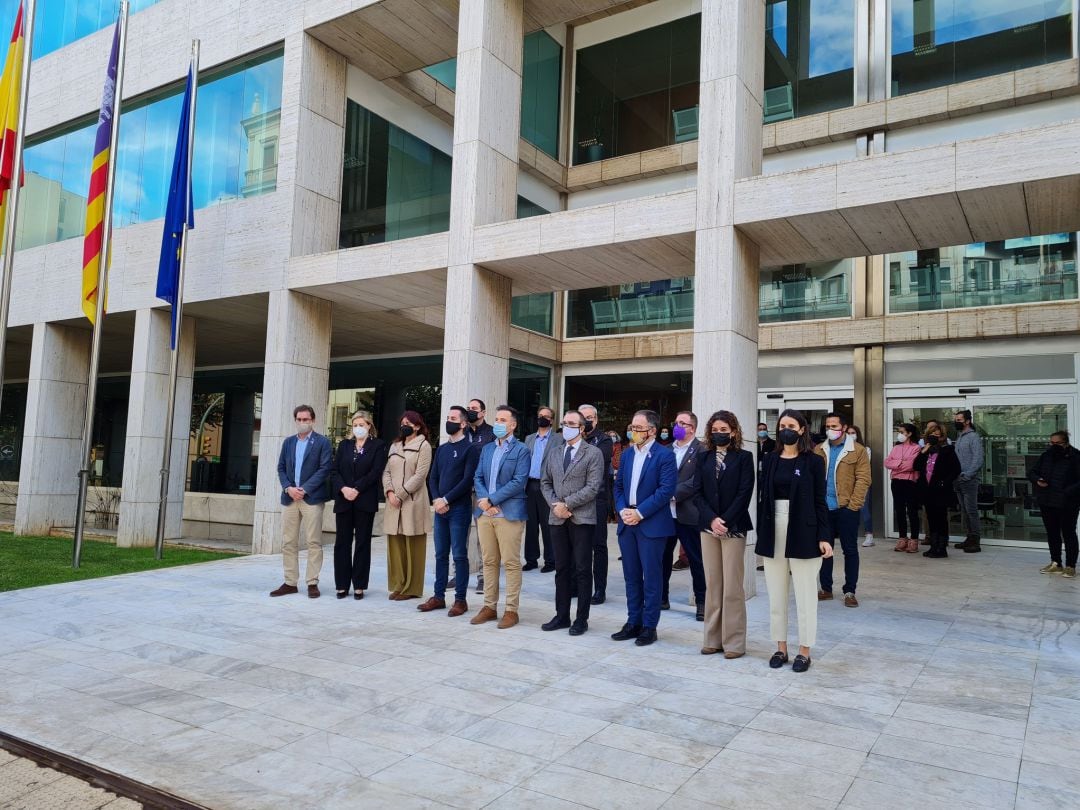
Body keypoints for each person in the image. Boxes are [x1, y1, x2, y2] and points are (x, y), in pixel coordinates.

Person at [757, 409, 833, 673]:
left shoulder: (813, 461)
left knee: (805, 593)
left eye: (791, 425)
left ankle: (804, 650)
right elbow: (763, 497)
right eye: (782, 425)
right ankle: (781, 647)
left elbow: (820, 500)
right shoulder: (769, 459)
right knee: (776, 593)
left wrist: (824, 536)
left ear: (802, 430)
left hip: (804, 528)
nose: (785, 429)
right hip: (773, 527)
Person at [611, 409, 677, 647]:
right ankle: (633, 622)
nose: (633, 431)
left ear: (652, 430)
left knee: (651, 577)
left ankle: (649, 626)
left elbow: (665, 490)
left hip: (651, 524)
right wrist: (622, 511)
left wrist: (639, 513)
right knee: (631, 577)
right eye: (632, 427)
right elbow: (617, 486)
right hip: (627, 523)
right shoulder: (627, 454)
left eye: (638, 428)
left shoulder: (664, 455)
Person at [695, 410, 754, 659]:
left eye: (724, 430)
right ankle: (712, 639)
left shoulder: (744, 457)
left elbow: (745, 493)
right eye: (715, 430)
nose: (719, 434)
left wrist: (725, 520)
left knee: (732, 587)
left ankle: (734, 643)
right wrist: (712, 519)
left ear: (734, 431)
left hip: (734, 526)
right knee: (713, 584)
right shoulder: (704, 457)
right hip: (708, 527)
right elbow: (697, 492)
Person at [540, 409, 605, 635]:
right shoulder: (555, 451)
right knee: (561, 568)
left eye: (571, 423)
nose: (565, 426)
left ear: (582, 428)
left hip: (581, 518)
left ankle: (581, 619)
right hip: (556, 518)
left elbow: (593, 486)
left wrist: (567, 504)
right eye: (564, 423)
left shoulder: (593, 453)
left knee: (582, 569)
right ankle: (562, 615)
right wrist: (556, 505)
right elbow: (545, 482)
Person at [471, 405, 531, 629]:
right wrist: (486, 500)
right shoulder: (487, 449)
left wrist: (493, 500)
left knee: (511, 562)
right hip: (485, 513)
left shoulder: (521, 450)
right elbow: (478, 477)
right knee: (488, 561)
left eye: (503, 420)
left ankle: (511, 610)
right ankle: (489, 606)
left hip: (508, 514)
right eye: (496, 419)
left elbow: (519, 481)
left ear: (513, 425)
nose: (498, 423)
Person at [420, 406, 481, 616]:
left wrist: (446, 499)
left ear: (463, 423)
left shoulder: (470, 449)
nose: (449, 421)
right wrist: (437, 499)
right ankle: (438, 596)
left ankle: (461, 600)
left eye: (453, 418)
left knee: (459, 555)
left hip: (459, 509)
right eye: (448, 418)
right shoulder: (443, 448)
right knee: (440, 554)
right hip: (440, 509)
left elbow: (467, 480)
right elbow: (433, 476)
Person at [270, 405, 334, 599]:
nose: (302, 422)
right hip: (289, 498)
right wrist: (288, 488)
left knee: (313, 541)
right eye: (299, 419)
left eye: (306, 419)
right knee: (288, 541)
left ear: (312, 420)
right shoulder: (288, 443)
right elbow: (281, 468)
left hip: (311, 498)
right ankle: (290, 582)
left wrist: (304, 489)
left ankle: (312, 582)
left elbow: (325, 469)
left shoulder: (322, 442)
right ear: (295, 420)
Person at [329, 411, 387, 600]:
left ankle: (359, 585)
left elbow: (376, 471)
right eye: (355, 424)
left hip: (364, 500)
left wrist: (357, 489)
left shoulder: (377, 446)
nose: (358, 428)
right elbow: (335, 471)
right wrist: (344, 489)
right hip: (344, 500)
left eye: (362, 424)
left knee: (362, 543)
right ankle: (342, 585)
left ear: (369, 426)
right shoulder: (344, 445)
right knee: (342, 543)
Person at [816, 412, 870, 607]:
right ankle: (826, 588)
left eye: (834, 426)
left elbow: (864, 479)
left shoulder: (858, 450)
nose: (830, 430)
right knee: (824, 549)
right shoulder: (818, 450)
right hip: (823, 509)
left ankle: (849, 591)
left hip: (846, 508)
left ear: (844, 428)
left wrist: (853, 506)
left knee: (850, 550)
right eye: (827, 426)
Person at [382, 411, 433, 600]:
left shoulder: (424, 445)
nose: (404, 425)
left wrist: (400, 494)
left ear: (417, 426)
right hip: (393, 502)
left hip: (412, 502)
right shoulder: (394, 446)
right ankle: (398, 585)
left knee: (414, 546)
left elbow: (420, 475)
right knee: (395, 546)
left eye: (409, 423)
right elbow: (386, 472)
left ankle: (411, 588)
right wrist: (389, 492)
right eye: (402, 422)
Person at [661, 411, 706, 619]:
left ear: (692, 428)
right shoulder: (666, 449)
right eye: (676, 422)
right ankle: (662, 597)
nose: (677, 426)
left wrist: (671, 493)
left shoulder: (702, 450)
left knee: (696, 560)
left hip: (689, 514)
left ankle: (702, 602)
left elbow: (698, 480)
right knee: (662, 558)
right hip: (664, 515)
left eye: (682, 423)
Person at [1028, 431, 1080, 578]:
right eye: (1051, 443)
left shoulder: (1076, 456)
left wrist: (1067, 491)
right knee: (1052, 533)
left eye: (1056, 443)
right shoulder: (1046, 455)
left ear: (1065, 443)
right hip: (1047, 500)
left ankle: (1070, 566)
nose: (1053, 446)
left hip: (1068, 502)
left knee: (1069, 533)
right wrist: (1037, 480)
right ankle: (1055, 562)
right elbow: (1031, 472)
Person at [579, 404, 614, 604]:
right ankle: (578, 585)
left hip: (596, 500)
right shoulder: (569, 438)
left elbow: (594, 465)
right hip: (574, 500)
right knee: (577, 546)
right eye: (583, 417)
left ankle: (600, 589)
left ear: (596, 419)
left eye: (590, 417)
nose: (587, 420)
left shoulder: (604, 440)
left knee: (598, 546)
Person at [523, 405, 563, 572]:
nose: (542, 418)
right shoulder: (529, 439)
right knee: (531, 525)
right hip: (529, 485)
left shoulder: (558, 439)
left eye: (546, 416)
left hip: (548, 486)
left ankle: (551, 561)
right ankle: (531, 560)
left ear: (551, 421)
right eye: (540, 415)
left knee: (548, 525)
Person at [914, 423, 960, 558]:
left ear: (942, 437)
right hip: (927, 490)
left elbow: (956, 469)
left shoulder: (948, 450)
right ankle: (933, 546)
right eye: (932, 435)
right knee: (931, 518)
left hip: (941, 490)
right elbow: (916, 466)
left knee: (941, 519)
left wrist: (944, 483)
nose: (934, 437)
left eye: (937, 435)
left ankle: (942, 547)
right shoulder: (926, 450)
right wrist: (925, 449)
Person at [884, 422, 922, 553]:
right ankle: (902, 538)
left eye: (901, 432)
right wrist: (901, 463)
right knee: (899, 510)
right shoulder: (896, 447)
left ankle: (914, 540)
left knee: (912, 511)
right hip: (896, 481)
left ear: (909, 433)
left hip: (910, 482)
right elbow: (887, 462)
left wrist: (897, 465)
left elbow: (912, 465)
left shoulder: (916, 448)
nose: (899, 435)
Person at [952, 410, 984, 553]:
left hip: (968, 480)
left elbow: (978, 459)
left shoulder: (973, 437)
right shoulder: (959, 437)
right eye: (956, 419)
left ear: (967, 421)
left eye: (959, 419)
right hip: (958, 480)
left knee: (971, 511)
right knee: (964, 511)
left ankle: (975, 541)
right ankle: (969, 538)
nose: (957, 422)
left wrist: (967, 475)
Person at [847, 425, 875, 547]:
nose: (850, 435)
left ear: (857, 434)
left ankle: (869, 535)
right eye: (848, 433)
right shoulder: (842, 448)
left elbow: (862, 467)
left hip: (861, 483)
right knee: (849, 509)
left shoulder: (865, 449)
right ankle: (850, 534)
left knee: (864, 508)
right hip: (847, 484)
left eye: (853, 433)